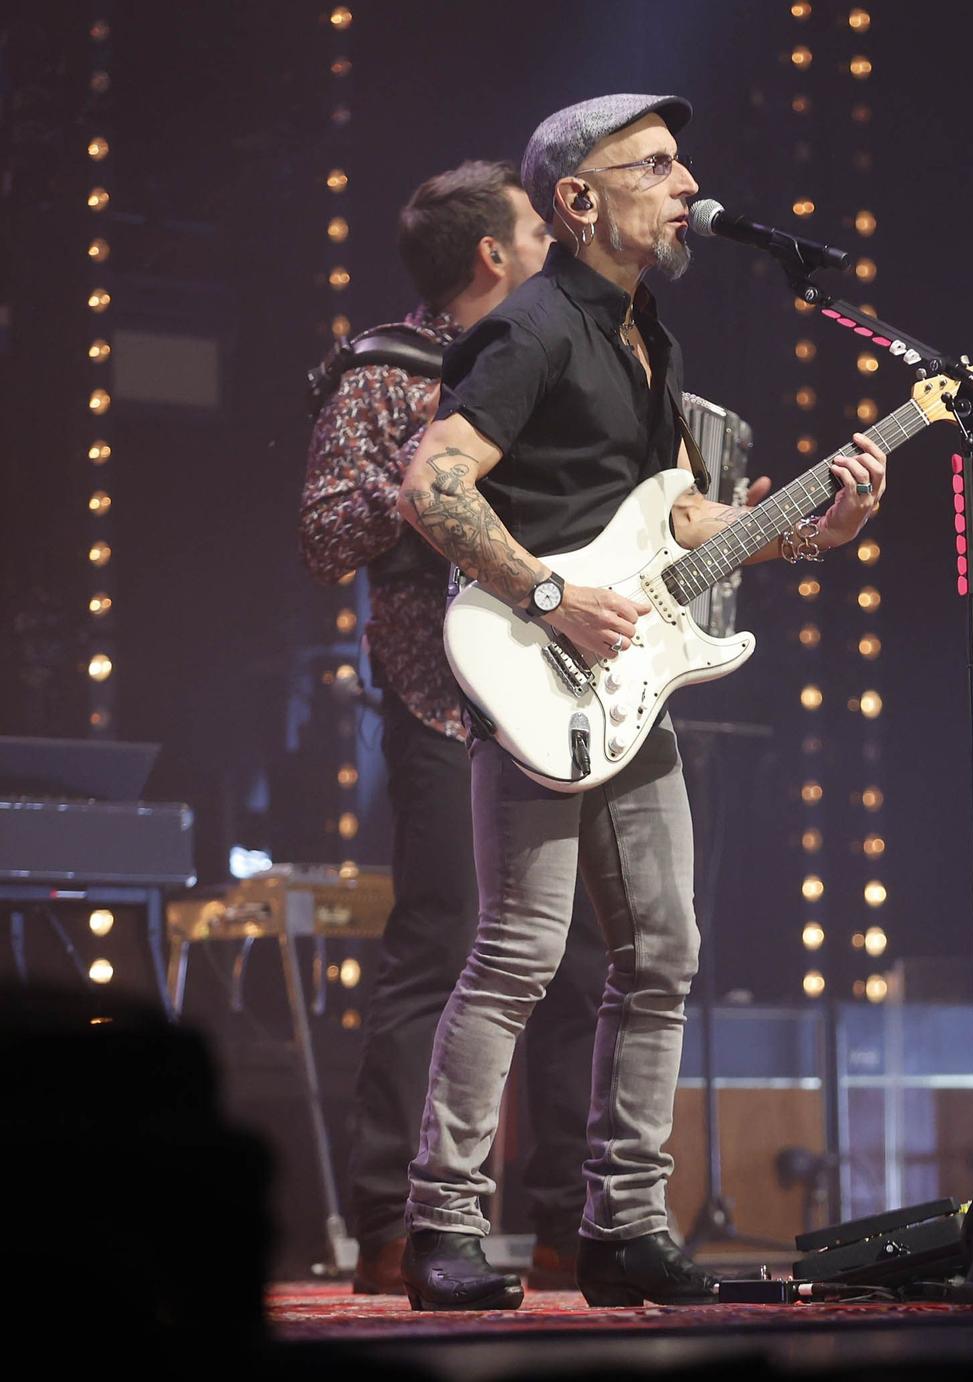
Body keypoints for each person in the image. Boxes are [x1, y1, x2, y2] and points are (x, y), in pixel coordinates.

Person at [395, 93, 889, 1311]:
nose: (686, 186)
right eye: (655, 166)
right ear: (577, 200)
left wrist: (810, 528)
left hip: (629, 685)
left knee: (661, 955)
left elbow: (674, 520)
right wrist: (549, 592)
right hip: (535, 667)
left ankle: (622, 1226)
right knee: (515, 953)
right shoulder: (536, 328)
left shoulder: (644, 334)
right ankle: (440, 1223)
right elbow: (431, 483)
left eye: (682, 164)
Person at [299, 160, 607, 1295]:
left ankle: (572, 1220)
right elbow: (325, 531)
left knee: (580, 960)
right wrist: (420, 470)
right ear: (493, 253)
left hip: (562, 696)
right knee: (440, 947)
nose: (550, 239)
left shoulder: (557, 352)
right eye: (534, 224)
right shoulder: (389, 373)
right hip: (441, 698)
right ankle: (394, 1221)